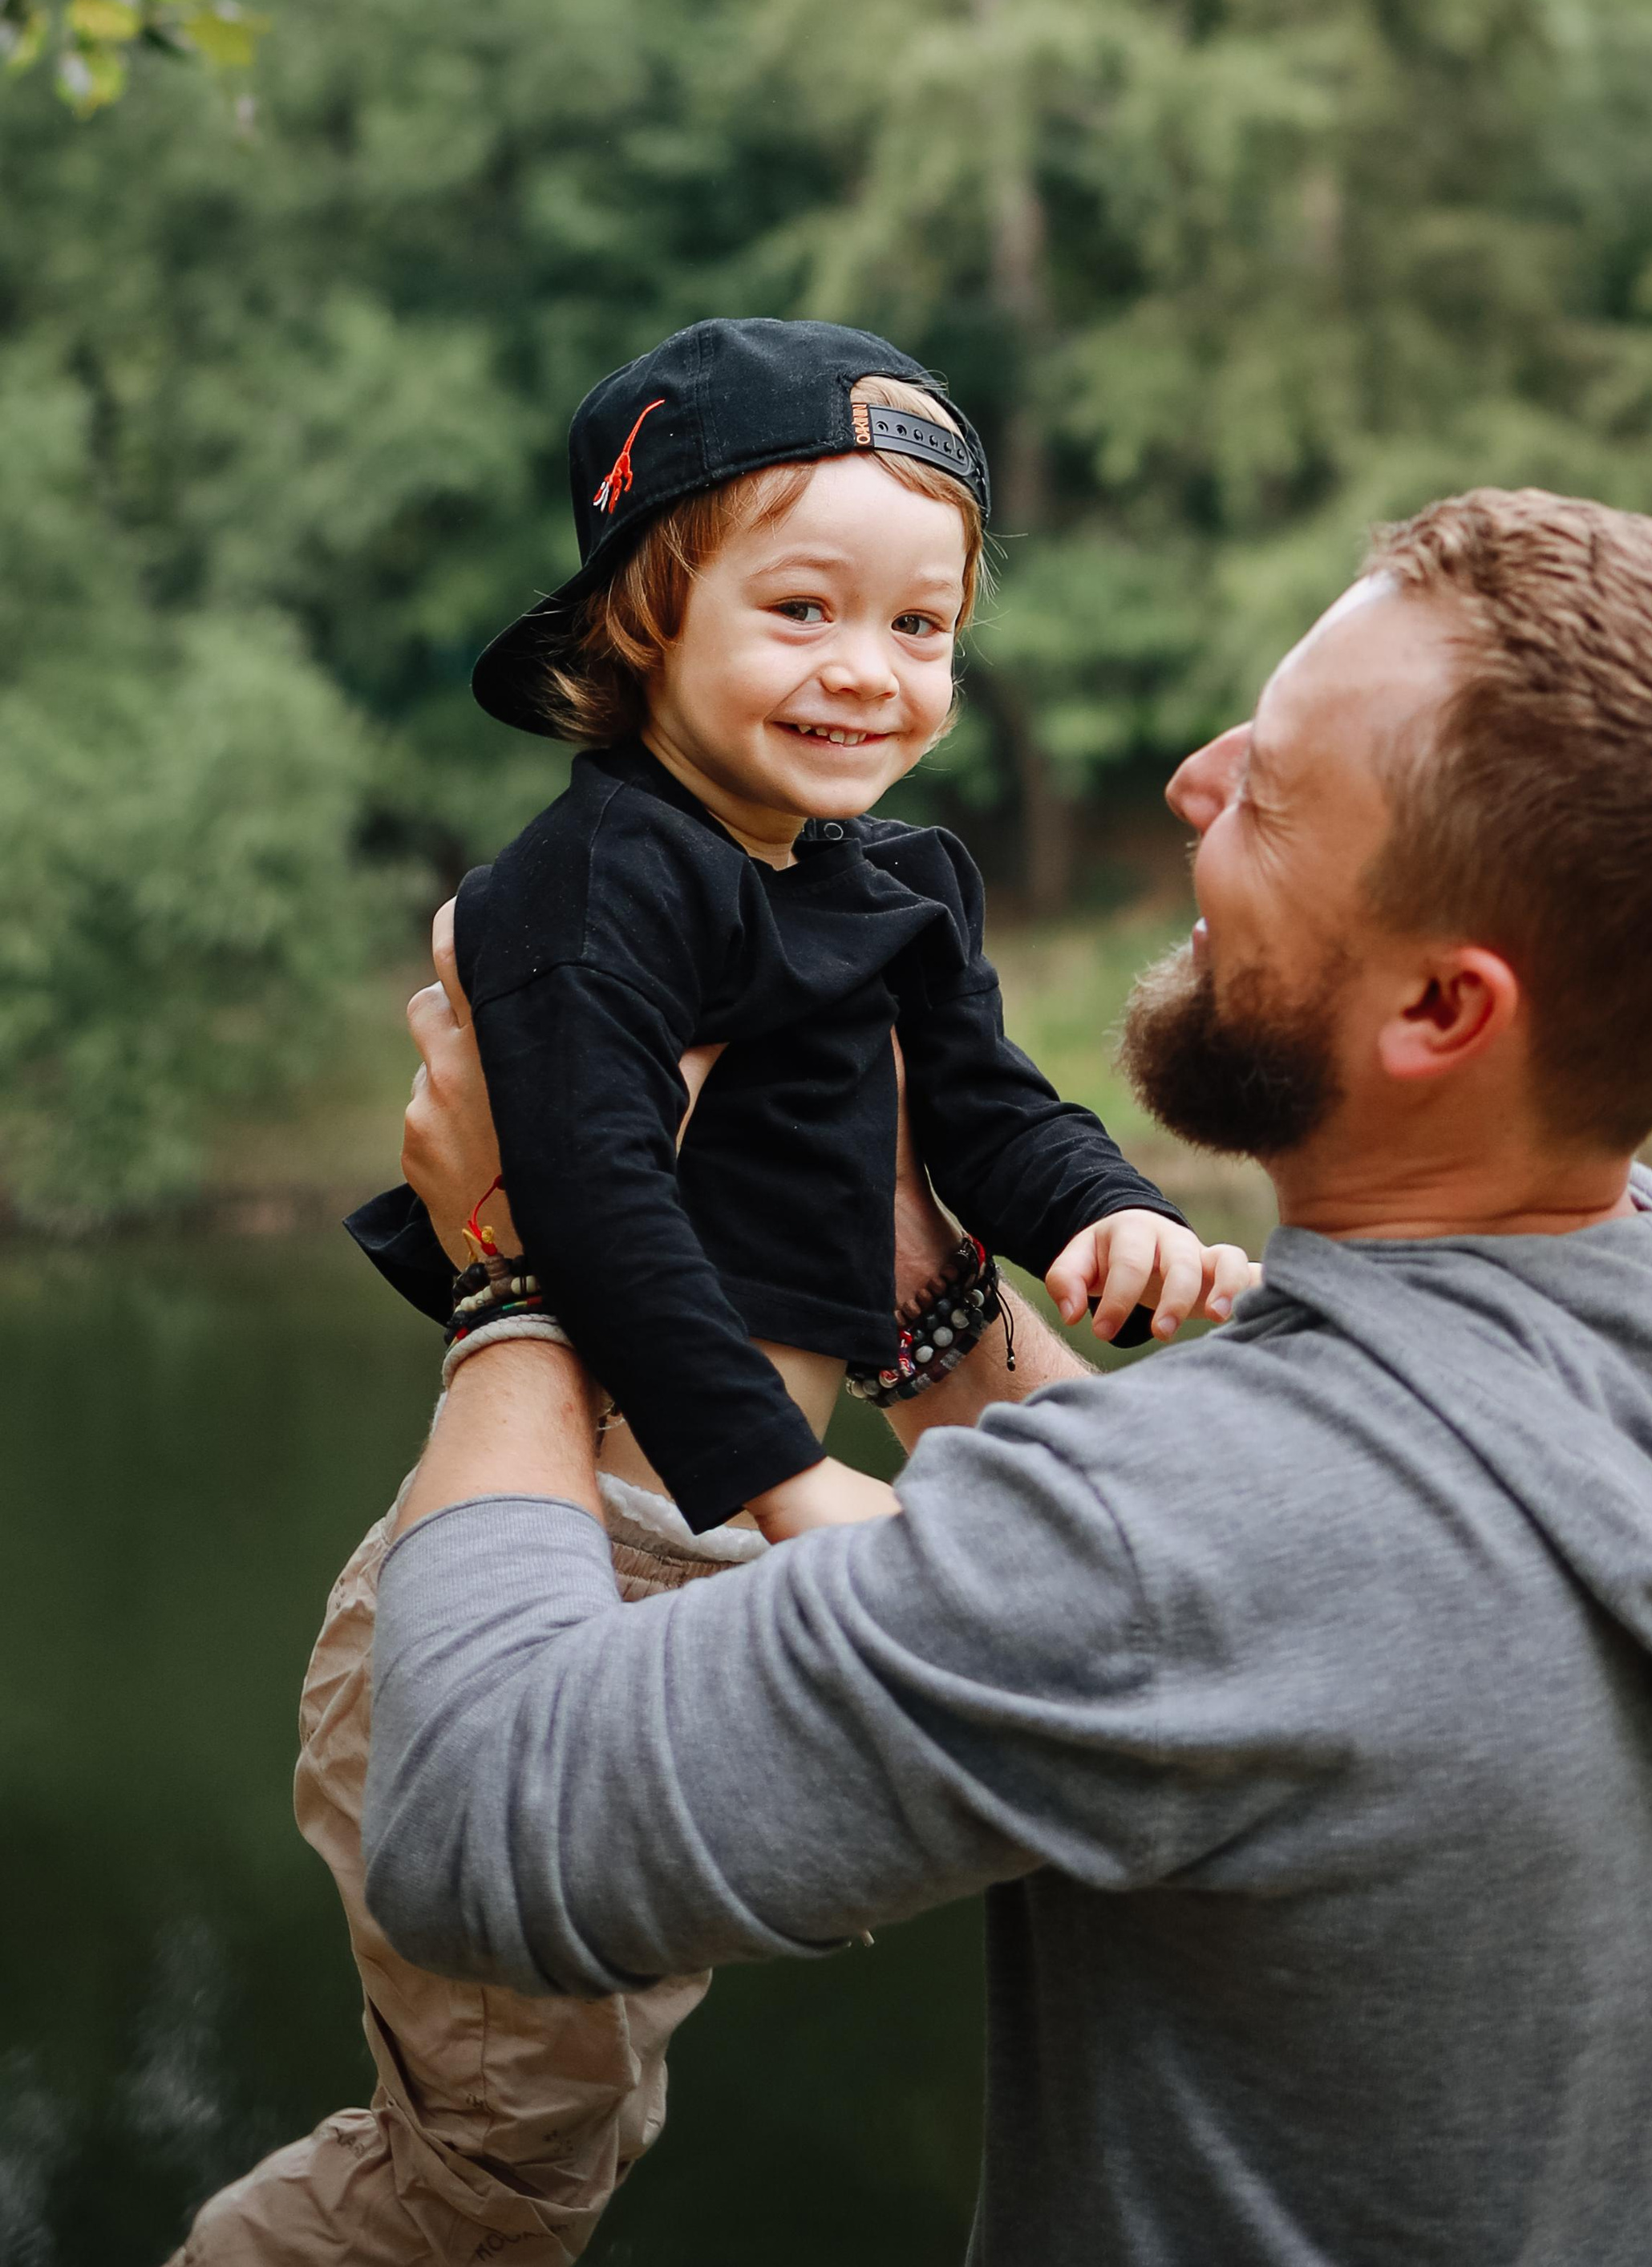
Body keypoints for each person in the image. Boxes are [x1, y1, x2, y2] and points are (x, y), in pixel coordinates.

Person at [372, 488, 1652, 2265]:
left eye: (1268, 789)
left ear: (1438, 1010)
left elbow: (468, 1816)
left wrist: (511, 1269)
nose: (1187, 774)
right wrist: (932, 1287)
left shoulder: (1180, 1552)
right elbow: (1210, 1571)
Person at [176, 315, 1252, 2266]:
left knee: (599, 2115)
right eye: (803, 607)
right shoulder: (593, 886)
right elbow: (578, 1200)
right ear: (644, 620)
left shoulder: (899, 880)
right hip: (551, 1572)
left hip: (734, 1564)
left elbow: (991, 1115)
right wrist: (782, 1476)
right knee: (483, 2178)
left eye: (920, 627)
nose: (869, 669)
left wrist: (1113, 1216)